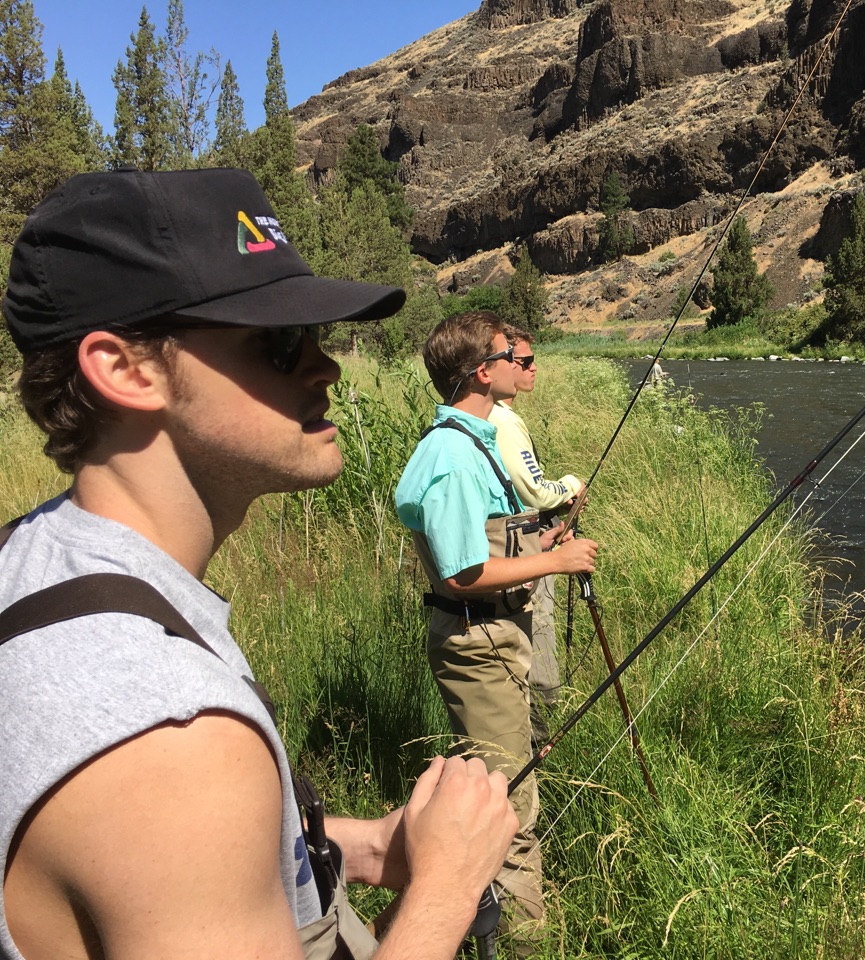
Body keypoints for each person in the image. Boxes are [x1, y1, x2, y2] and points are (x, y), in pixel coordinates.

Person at [0, 168, 518, 960]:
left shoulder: (34, 560)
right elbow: (166, 803)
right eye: (276, 341)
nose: (326, 368)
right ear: (124, 368)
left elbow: (160, 864)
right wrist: (446, 886)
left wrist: (361, 846)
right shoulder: (170, 734)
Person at [394, 311, 598, 939]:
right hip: (480, 643)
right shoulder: (454, 455)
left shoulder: (477, 438)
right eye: (517, 355)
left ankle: (514, 921)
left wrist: (541, 543)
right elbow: (459, 574)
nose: (526, 364)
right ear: (484, 371)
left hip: (499, 637)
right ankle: (526, 939)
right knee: (507, 804)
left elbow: (489, 544)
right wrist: (557, 560)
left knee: (516, 782)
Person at [488, 325, 584, 743]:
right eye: (524, 361)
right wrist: (571, 486)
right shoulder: (504, 422)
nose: (532, 369)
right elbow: (534, 489)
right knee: (537, 624)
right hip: (521, 548)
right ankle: (543, 729)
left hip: (521, 543)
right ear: (502, 365)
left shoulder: (492, 416)